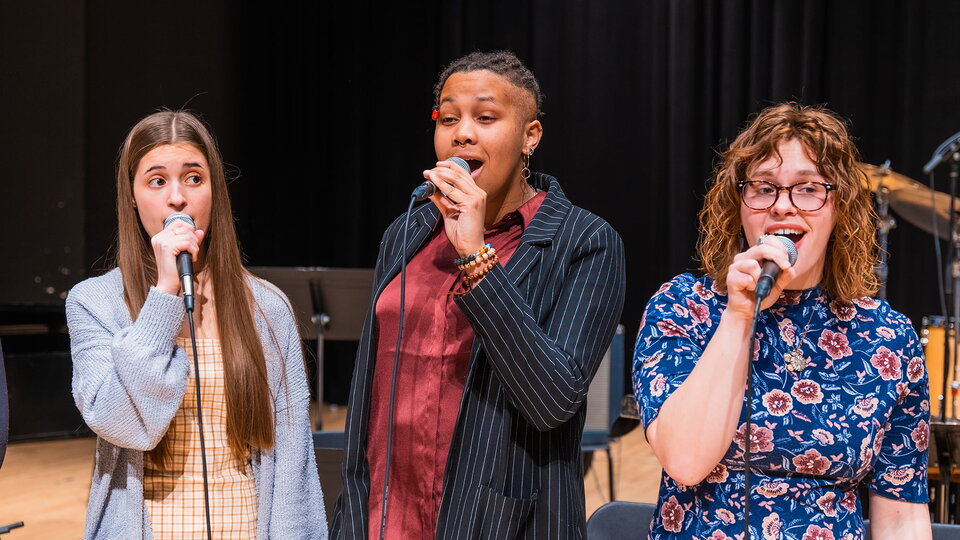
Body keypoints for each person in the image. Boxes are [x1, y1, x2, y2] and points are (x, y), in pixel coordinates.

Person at [331, 51, 625, 539]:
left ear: (530, 136)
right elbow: (371, 394)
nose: (462, 133)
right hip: (383, 516)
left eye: (485, 118)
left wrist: (474, 253)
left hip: (500, 522)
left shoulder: (584, 241)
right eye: (449, 118)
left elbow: (552, 402)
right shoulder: (406, 233)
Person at [633, 103, 931, 539]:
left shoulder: (888, 337)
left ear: (839, 207)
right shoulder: (683, 307)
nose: (782, 207)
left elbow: (901, 515)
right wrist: (738, 313)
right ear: (739, 203)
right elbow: (684, 460)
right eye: (763, 187)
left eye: (808, 189)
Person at [66, 110, 326, 539]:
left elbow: (292, 459)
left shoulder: (266, 307)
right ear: (132, 196)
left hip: (244, 524)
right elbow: (127, 426)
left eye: (193, 178)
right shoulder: (94, 303)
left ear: (214, 191)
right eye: (156, 181)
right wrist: (164, 296)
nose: (177, 199)